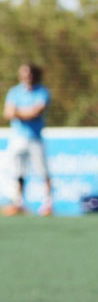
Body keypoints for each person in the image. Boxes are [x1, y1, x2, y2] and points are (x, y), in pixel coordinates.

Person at [2, 63, 53, 216]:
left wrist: (18, 112)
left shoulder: (42, 92)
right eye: (24, 74)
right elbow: (8, 113)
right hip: (18, 137)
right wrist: (24, 112)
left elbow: (35, 112)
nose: (26, 77)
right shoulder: (14, 92)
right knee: (18, 171)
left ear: (34, 75)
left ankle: (48, 204)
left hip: (35, 138)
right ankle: (19, 203)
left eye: (29, 74)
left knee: (42, 171)